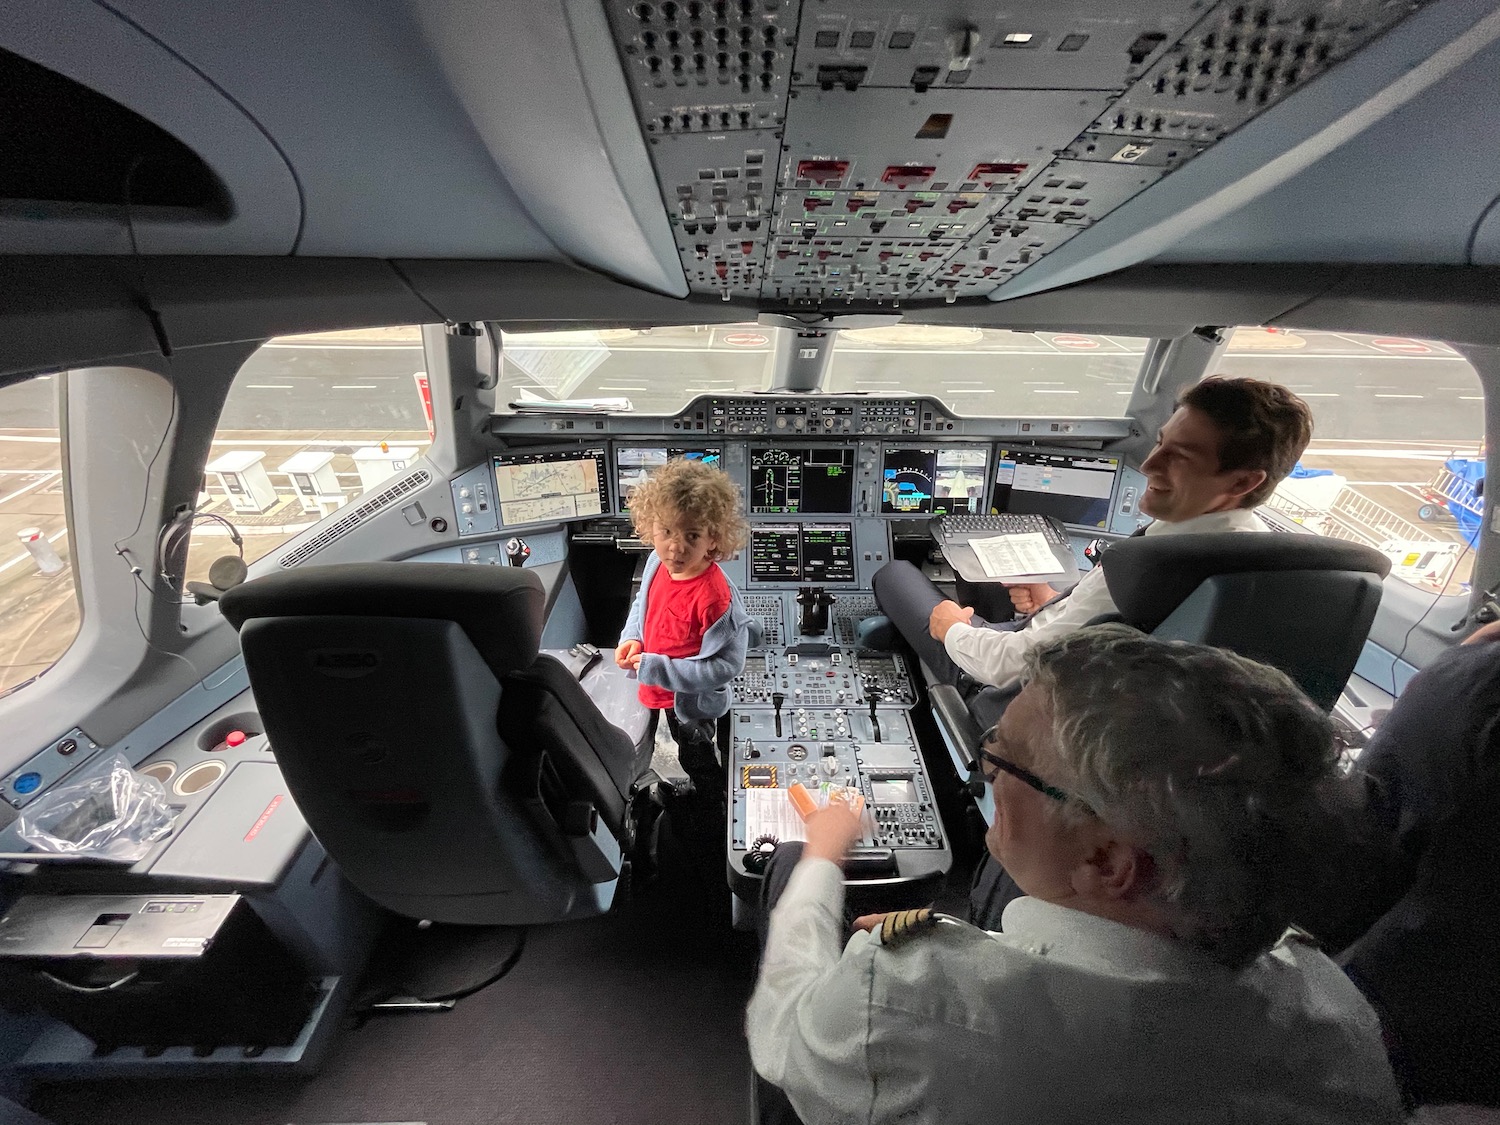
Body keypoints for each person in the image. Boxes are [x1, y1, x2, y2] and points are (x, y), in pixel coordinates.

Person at [746, 625, 1403, 1125]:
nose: (987, 768)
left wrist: (823, 857)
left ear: (1109, 861)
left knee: (787, 870)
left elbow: (784, 1034)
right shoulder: (1336, 1011)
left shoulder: (905, 995)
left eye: (1002, 756)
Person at [872, 377, 1314, 695]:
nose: (1149, 466)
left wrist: (952, 629)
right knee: (997, 587)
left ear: (1242, 483)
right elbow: (1108, 622)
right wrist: (1054, 601)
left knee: (895, 573)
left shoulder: (1152, 565)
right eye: (1160, 442)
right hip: (1090, 672)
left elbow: (1013, 667)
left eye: (1180, 457)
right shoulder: (1257, 551)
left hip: (1017, 690)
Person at [615, 457, 752, 799]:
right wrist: (631, 636)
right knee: (669, 738)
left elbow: (727, 666)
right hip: (656, 688)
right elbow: (642, 607)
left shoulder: (716, 600)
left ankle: (709, 797)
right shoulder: (655, 564)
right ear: (650, 527)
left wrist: (659, 669)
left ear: (714, 539)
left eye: (692, 535)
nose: (675, 547)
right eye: (666, 532)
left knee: (696, 752)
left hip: (694, 705)